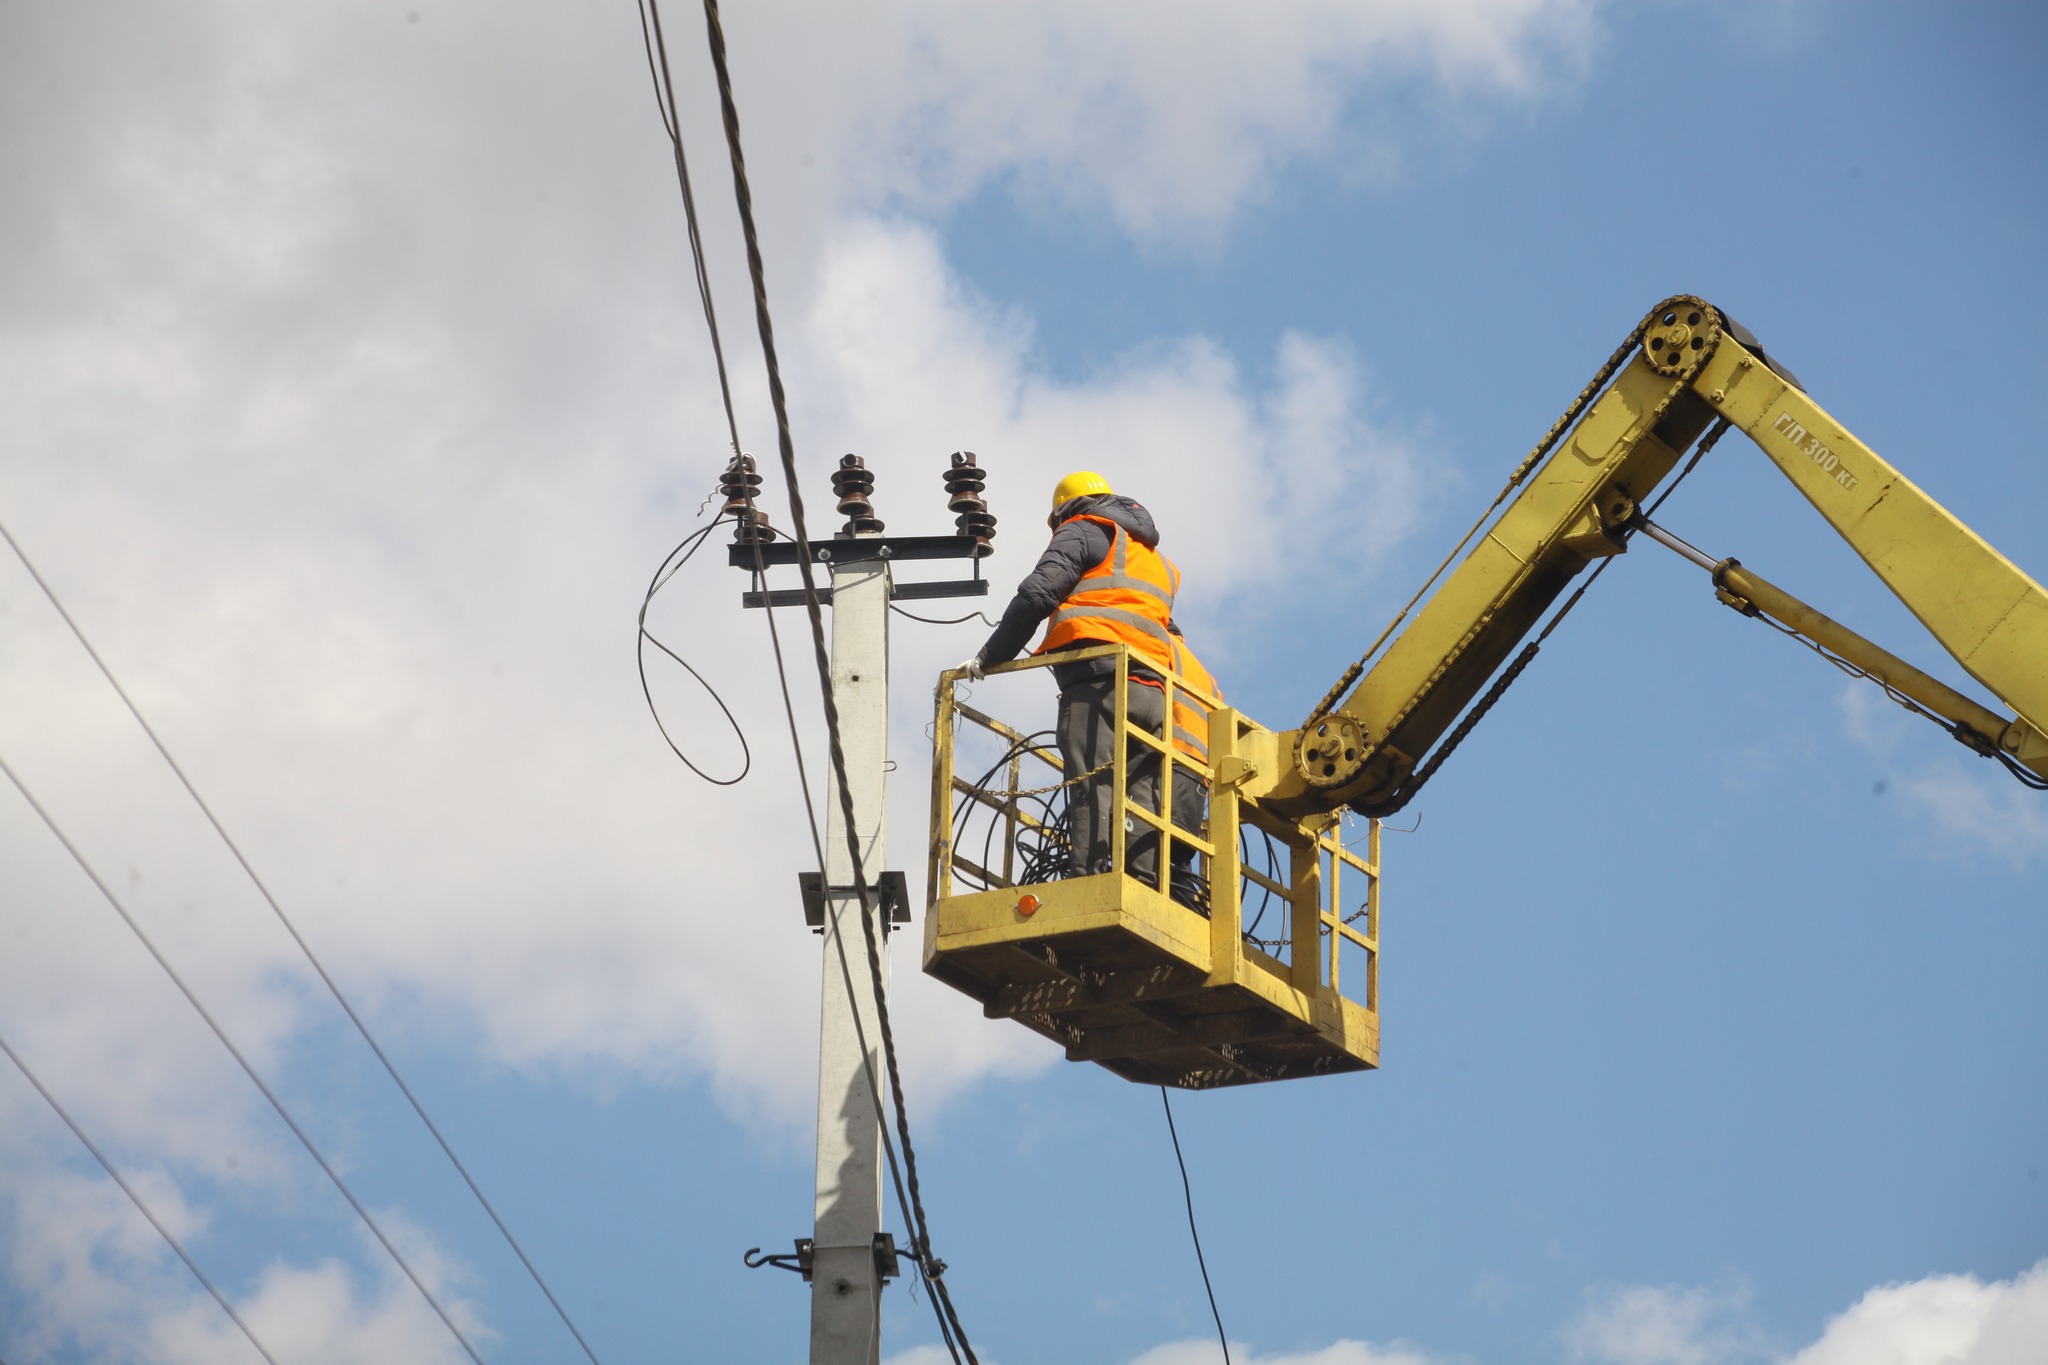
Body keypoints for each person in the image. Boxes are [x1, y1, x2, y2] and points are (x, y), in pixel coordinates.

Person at [959, 471, 1214, 892]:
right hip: (1154, 686)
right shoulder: (1155, 560)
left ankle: (1088, 885)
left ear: (1064, 509)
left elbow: (1039, 593)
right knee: (1141, 794)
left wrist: (990, 657)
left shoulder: (1082, 530)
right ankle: (1144, 887)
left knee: (1092, 783)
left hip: (1099, 681)